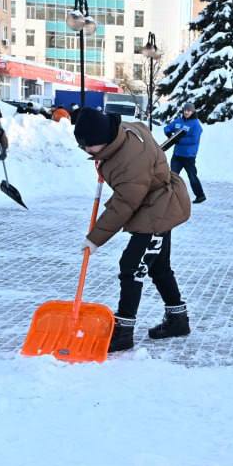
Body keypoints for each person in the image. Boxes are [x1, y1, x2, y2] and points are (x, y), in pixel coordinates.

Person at [73, 110, 192, 352]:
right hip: (155, 202)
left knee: (131, 267)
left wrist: (95, 238)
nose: (85, 150)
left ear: (104, 139)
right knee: (159, 267)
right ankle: (178, 320)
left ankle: (123, 332)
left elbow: (123, 205)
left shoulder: (129, 165)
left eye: (89, 146)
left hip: (157, 210)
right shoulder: (124, 129)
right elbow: (142, 129)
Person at [165, 103, 205, 203]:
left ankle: (200, 196)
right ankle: (170, 197)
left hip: (189, 156)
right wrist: (169, 133)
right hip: (177, 155)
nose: (186, 112)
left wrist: (179, 140)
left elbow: (194, 139)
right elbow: (167, 128)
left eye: (189, 110)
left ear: (193, 112)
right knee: (172, 176)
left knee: (192, 176)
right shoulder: (178, 121)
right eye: (185, 110)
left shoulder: (196, 124)